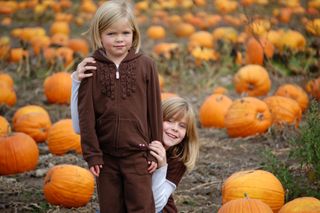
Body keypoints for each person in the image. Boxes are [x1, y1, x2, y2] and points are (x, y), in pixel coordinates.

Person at [74, 1, 163, 212]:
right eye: (112, 34)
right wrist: (92, 153)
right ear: (99, 35)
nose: (120, 39)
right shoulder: (91, 67)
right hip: (105, 158)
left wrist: (155, 148)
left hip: (138, 154)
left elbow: (155, 110)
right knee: (111, 207)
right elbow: (85, 115)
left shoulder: (146, 65)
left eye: (125, 33)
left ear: (134, 33)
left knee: (141, 205)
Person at [72, 68, 199, 212]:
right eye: (169, 121)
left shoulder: (178, 159)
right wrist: (76, 81)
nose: (175, 128)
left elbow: (155, 205)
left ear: (187, 134)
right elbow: (81, 127)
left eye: (182, 126)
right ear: (155, 120)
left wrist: (162, 166)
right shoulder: (136, 142)